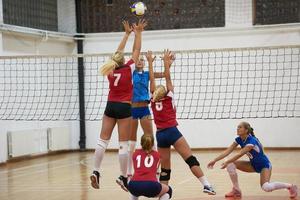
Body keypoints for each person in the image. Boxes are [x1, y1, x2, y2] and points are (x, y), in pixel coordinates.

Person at [90, 20, 147, 191]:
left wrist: (126, 34)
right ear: (124, 60)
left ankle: (96, 171)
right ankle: (123, 177)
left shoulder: (110, 69)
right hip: (124, 107)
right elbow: (136, 50)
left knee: (102, 141)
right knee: (123, 144)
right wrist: (138, 33)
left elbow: (118, 53)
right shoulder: (129, 68)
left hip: (110, 106)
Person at [149, 49, 216, 195]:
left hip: (160, 135)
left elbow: (152, 80)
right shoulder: (169, 97)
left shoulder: (152, 100)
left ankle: (162, 193)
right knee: (190, 159)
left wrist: (150, 62)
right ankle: (206, 185)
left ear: (154, 93)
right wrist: (166, 63)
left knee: (165, 168)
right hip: (172, 132)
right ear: (166, 92)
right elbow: (168, 78)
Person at [207, 121, 298, 198]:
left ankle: (290, 186)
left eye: (240, 127)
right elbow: (228, 151)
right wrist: (214, 160)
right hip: (253, 165)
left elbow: (240, 154)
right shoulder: (239, 139)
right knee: (231, 165)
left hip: (264, 165)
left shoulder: (251, 141)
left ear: (246, 130)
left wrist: (227, 161)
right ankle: (236, 190)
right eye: (237, 127)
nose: (237, 129)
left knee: (266, 187)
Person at [127, 51, 164, 177]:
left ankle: (156, 167)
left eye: (142, 60)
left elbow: (163, 74)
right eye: (138, 59)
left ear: (144, 62)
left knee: (150, 137)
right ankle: (128, 170)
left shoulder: (148, 74)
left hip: (144, 109)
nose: (140, 61)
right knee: (131, 141)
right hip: (132, 110)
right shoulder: (130, 74)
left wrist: (168, 64)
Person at [128, 134, 173, 200]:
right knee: (168, 190)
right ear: (152, 144)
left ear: (141, 143)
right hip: (151, 185)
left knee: (135, 191)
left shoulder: (135, 153)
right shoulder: (157, 155)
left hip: (133, 185)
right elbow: (156, 173)